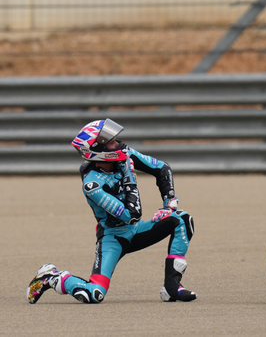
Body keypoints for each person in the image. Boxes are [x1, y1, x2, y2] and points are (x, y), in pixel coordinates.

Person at [27, 118, 197, 304]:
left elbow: (162, 168)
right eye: (111, 142)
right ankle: (51, 276)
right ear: (97, 151)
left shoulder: (124, 156)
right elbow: (131, 214)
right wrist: (129, 176)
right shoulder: (93, 185)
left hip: (137, 230)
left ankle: (172, 287)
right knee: (94, 294)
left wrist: (168, 205)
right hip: (113, 238)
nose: (119, 144)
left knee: (182, 219)